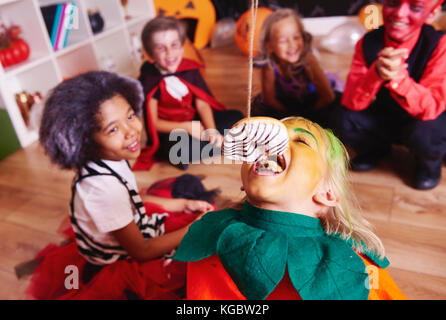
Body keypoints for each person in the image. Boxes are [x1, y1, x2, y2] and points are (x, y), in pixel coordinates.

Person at [27, 71, 214, 300]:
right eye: (113, 129)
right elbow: (141, 251)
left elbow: (132, 198)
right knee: (202, 263)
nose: (131, 131)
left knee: (190, 197)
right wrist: (193, 230)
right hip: (122, 257)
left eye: (130, 116)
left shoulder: (110, 159)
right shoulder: (102, 189)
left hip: (131, 228)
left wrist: (182, 203)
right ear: (86, 140)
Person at [174, 116, 406, 300]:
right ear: (244, 184)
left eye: (301, 140)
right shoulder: (209, 234)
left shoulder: (355, 266)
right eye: (263, 139)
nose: (273, 142)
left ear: (328, 193)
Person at [332, 0, 446, 190]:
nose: (399, 14)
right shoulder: (368, 42)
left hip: (424, 121)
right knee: (342, 117)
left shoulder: (440, 44)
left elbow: (431, 106)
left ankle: (428, 166)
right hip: (388, 115)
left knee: (426, 132)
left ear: (432, 14)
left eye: (415, 7)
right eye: (393, 2)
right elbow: (351, 101)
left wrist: (399, 79)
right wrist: (375, 74)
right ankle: (376, 149)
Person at [134, 16, 244, 171]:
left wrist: (211, 130)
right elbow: (155, 123)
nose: (170, 53)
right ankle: (220, 143)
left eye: (174, 45)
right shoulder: (150, 81)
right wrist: (186, 127)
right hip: (173, 131)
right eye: (161, 48)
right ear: (151, 54)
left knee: (237, 117)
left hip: (195, 120)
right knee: (177, 149)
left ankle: (214, 142)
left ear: (182, 46)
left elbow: (202, 103)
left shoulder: (190, 70)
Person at [252, 8, 339, 128]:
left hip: (313, 101)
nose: (292, 45)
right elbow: (270, 100)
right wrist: (290, 118)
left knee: (335, 114)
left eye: (296, 37)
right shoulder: (269, 66)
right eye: (283, 41)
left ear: (303, 37)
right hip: (285, 103)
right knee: (259, 110)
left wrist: (304, 118)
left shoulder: (308, 60)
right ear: (269, 46)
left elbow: (328, 97)